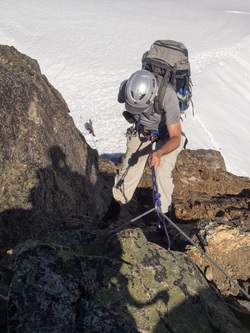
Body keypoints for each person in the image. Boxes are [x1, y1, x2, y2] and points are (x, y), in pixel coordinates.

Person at [102, 69, 184, 226]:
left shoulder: (168, 96)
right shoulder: (127, 88)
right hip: (142, 129)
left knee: (161, 173)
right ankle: (112, 213)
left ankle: (163, 220)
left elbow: (176, 138)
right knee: (129, 169)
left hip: (167, 134)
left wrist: (159, 153)